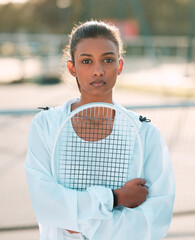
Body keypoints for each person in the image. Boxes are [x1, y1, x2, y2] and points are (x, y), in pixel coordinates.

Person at [25, 20, 175, 240]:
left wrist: (81, 224)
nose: (98, 70)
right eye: (87, 61)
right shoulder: (46, 125)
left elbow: (156, 219)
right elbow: (46, 204)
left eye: (108, 60)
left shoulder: (145, 133)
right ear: (72, 68)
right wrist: (115, 198)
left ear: (120, 66)